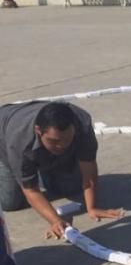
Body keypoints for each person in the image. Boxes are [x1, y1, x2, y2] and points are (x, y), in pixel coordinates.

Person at [0, 101, 123, 239]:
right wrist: (55, 220)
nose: (62, 145)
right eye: (54, 141)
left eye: (67, 138)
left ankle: (42, 168)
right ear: (38, 131)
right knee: (10, 202)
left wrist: (92, 207)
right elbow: (31, 190)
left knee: (72, 187)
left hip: (34, 133)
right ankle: (31, 170)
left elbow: (89, 169)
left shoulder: (82, 124)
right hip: (4, 136)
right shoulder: (19, 142)